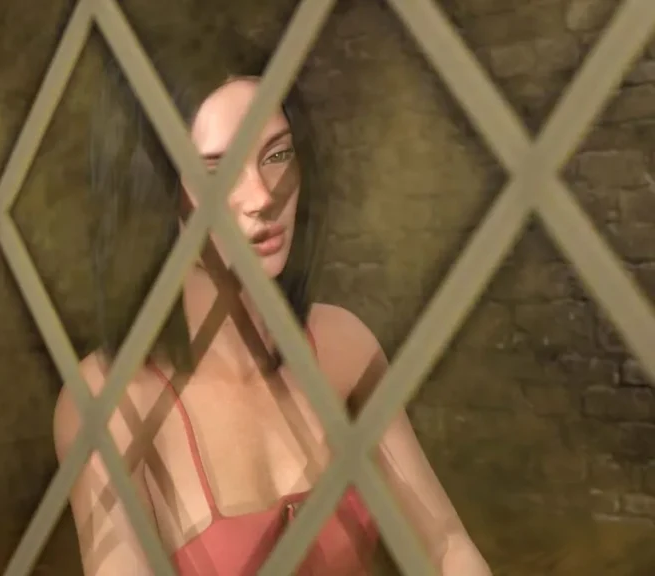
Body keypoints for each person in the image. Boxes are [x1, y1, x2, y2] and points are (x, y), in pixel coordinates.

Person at [53, 28, 492, 576]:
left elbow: (445, 544)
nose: (264, 197)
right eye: (216, 170)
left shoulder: (343, 347)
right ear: (153, 191)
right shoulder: (111, 399)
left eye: (277, 154)